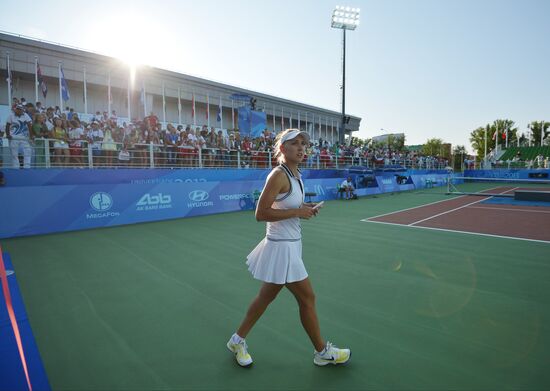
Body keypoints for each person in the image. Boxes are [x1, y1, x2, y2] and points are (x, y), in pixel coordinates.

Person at [227, 128, 351, 367]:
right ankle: (322, 351)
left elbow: (289, 203)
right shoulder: (278, 175)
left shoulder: (296, 174)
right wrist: (298, 212)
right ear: (282, 148)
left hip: (292, 245)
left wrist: (306, 207)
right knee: (307, 298)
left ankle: (237, 340)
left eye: (304, 144)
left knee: (265, 297)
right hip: (281, 248)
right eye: (295, 143)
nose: (302, 148)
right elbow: (260, 213)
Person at [5, 104, 33, 168]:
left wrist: (31, 136)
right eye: (18, 109)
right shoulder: (11, 115)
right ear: (16, 109)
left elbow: (29, 125)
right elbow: (7, 125)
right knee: (14, 153)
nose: (19, 110)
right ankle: (16, 167)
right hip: (14, 137)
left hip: (24, 137)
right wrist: (8, 134)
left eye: (20, 109)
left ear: (23, 110)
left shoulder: (26, 115)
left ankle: (27, 166)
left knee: (27, 151)